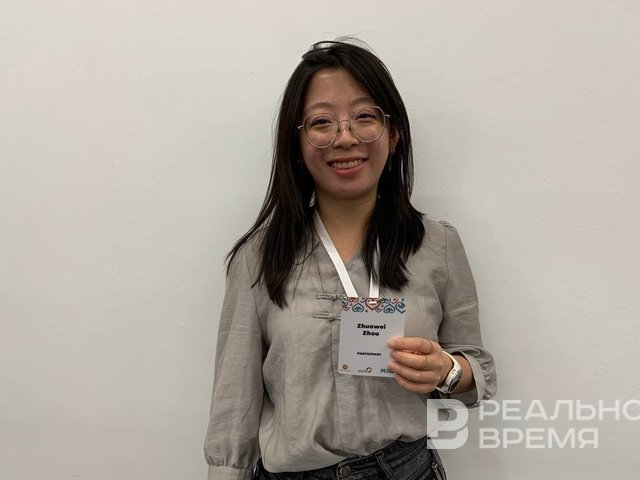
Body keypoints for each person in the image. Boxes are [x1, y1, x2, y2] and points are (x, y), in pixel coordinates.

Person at [204, 39, 497, 480]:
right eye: (321, 122)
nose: (345, 137)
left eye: (364, 117)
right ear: (297, 143)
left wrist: (446, 371)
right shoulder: (258, 258)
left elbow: (478, 369)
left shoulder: (436, 244)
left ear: (393, 134)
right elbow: (233, 406)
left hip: (407, 470)